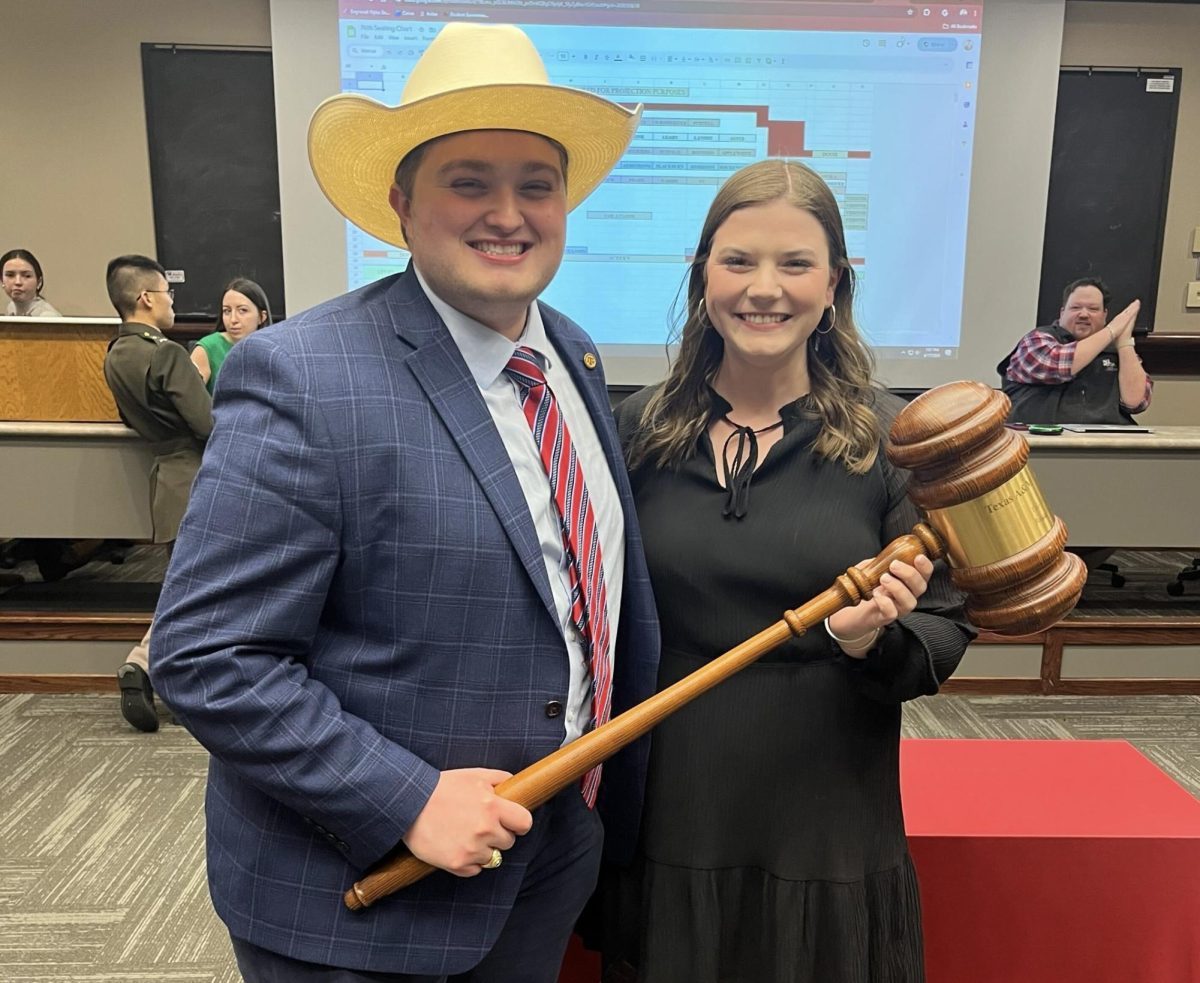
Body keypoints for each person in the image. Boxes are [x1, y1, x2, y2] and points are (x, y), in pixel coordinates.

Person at [149, 22, 659, 983]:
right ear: (401, 202)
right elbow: (206, 653)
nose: (507, 212)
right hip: (362, 896)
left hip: (543, 864)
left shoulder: (576, 358)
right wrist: (407, 798)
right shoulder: (304, 374)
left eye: (535, 183)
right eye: (469, 180)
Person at [602, 159, 975, 983]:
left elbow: (945, 626)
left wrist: (863, 639)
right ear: (702, 274)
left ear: (836, 282)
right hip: (675, 805)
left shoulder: (894, 440)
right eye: (738, 261)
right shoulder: (635, 429)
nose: (763, 288)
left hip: (826, 818)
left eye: (795, 264)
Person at [102, 254, 213, 733]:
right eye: (168, 294)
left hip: (165, 482)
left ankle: (146, 667)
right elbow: (208, 424)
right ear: (147, 298)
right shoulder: (166, 353)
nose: (172, 304)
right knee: (197, 595)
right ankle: (152, 670)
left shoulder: (115, 354)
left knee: (185, 589)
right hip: (198, 480)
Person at [997, 276, 1152, 424]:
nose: (1084, 314)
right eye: (1076, 307)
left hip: (1108, 444)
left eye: (1093, 309)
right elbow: (1058, 365)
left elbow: (1136, 403)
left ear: (1105, 315)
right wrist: (1111, 330)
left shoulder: (1117, 351)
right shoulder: (1036, 340)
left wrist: (1124, 342)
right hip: (1044, 444)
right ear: (1062, 312)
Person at [190, 277, 271, 393]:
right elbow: (189, 400)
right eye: (227, 311)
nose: (233, 319)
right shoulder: (207, 348)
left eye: (242, 310)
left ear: (262, 317)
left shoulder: (272, 349)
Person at [2, 248, 61, 316]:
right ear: (2, 280)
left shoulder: (47, 316)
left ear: (39, 282)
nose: (18, 282)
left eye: (27, 276)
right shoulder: (11, 307)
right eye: (10, 275)